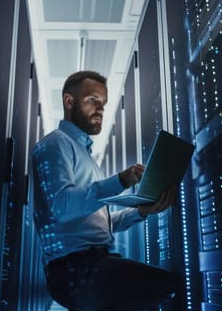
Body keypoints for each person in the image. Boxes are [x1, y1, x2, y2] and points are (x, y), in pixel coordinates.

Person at [30, 70, 180, 310]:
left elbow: (99, 224)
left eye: (103, 103)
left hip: (93, 265)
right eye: (93, 100)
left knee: (162, 287)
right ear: (69, 101)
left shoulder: (87, 158)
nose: (100, 108)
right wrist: (120, 180)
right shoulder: (55, 143)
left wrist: (142, 211)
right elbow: (62, 207)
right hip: (74, 271)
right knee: (167, 286)